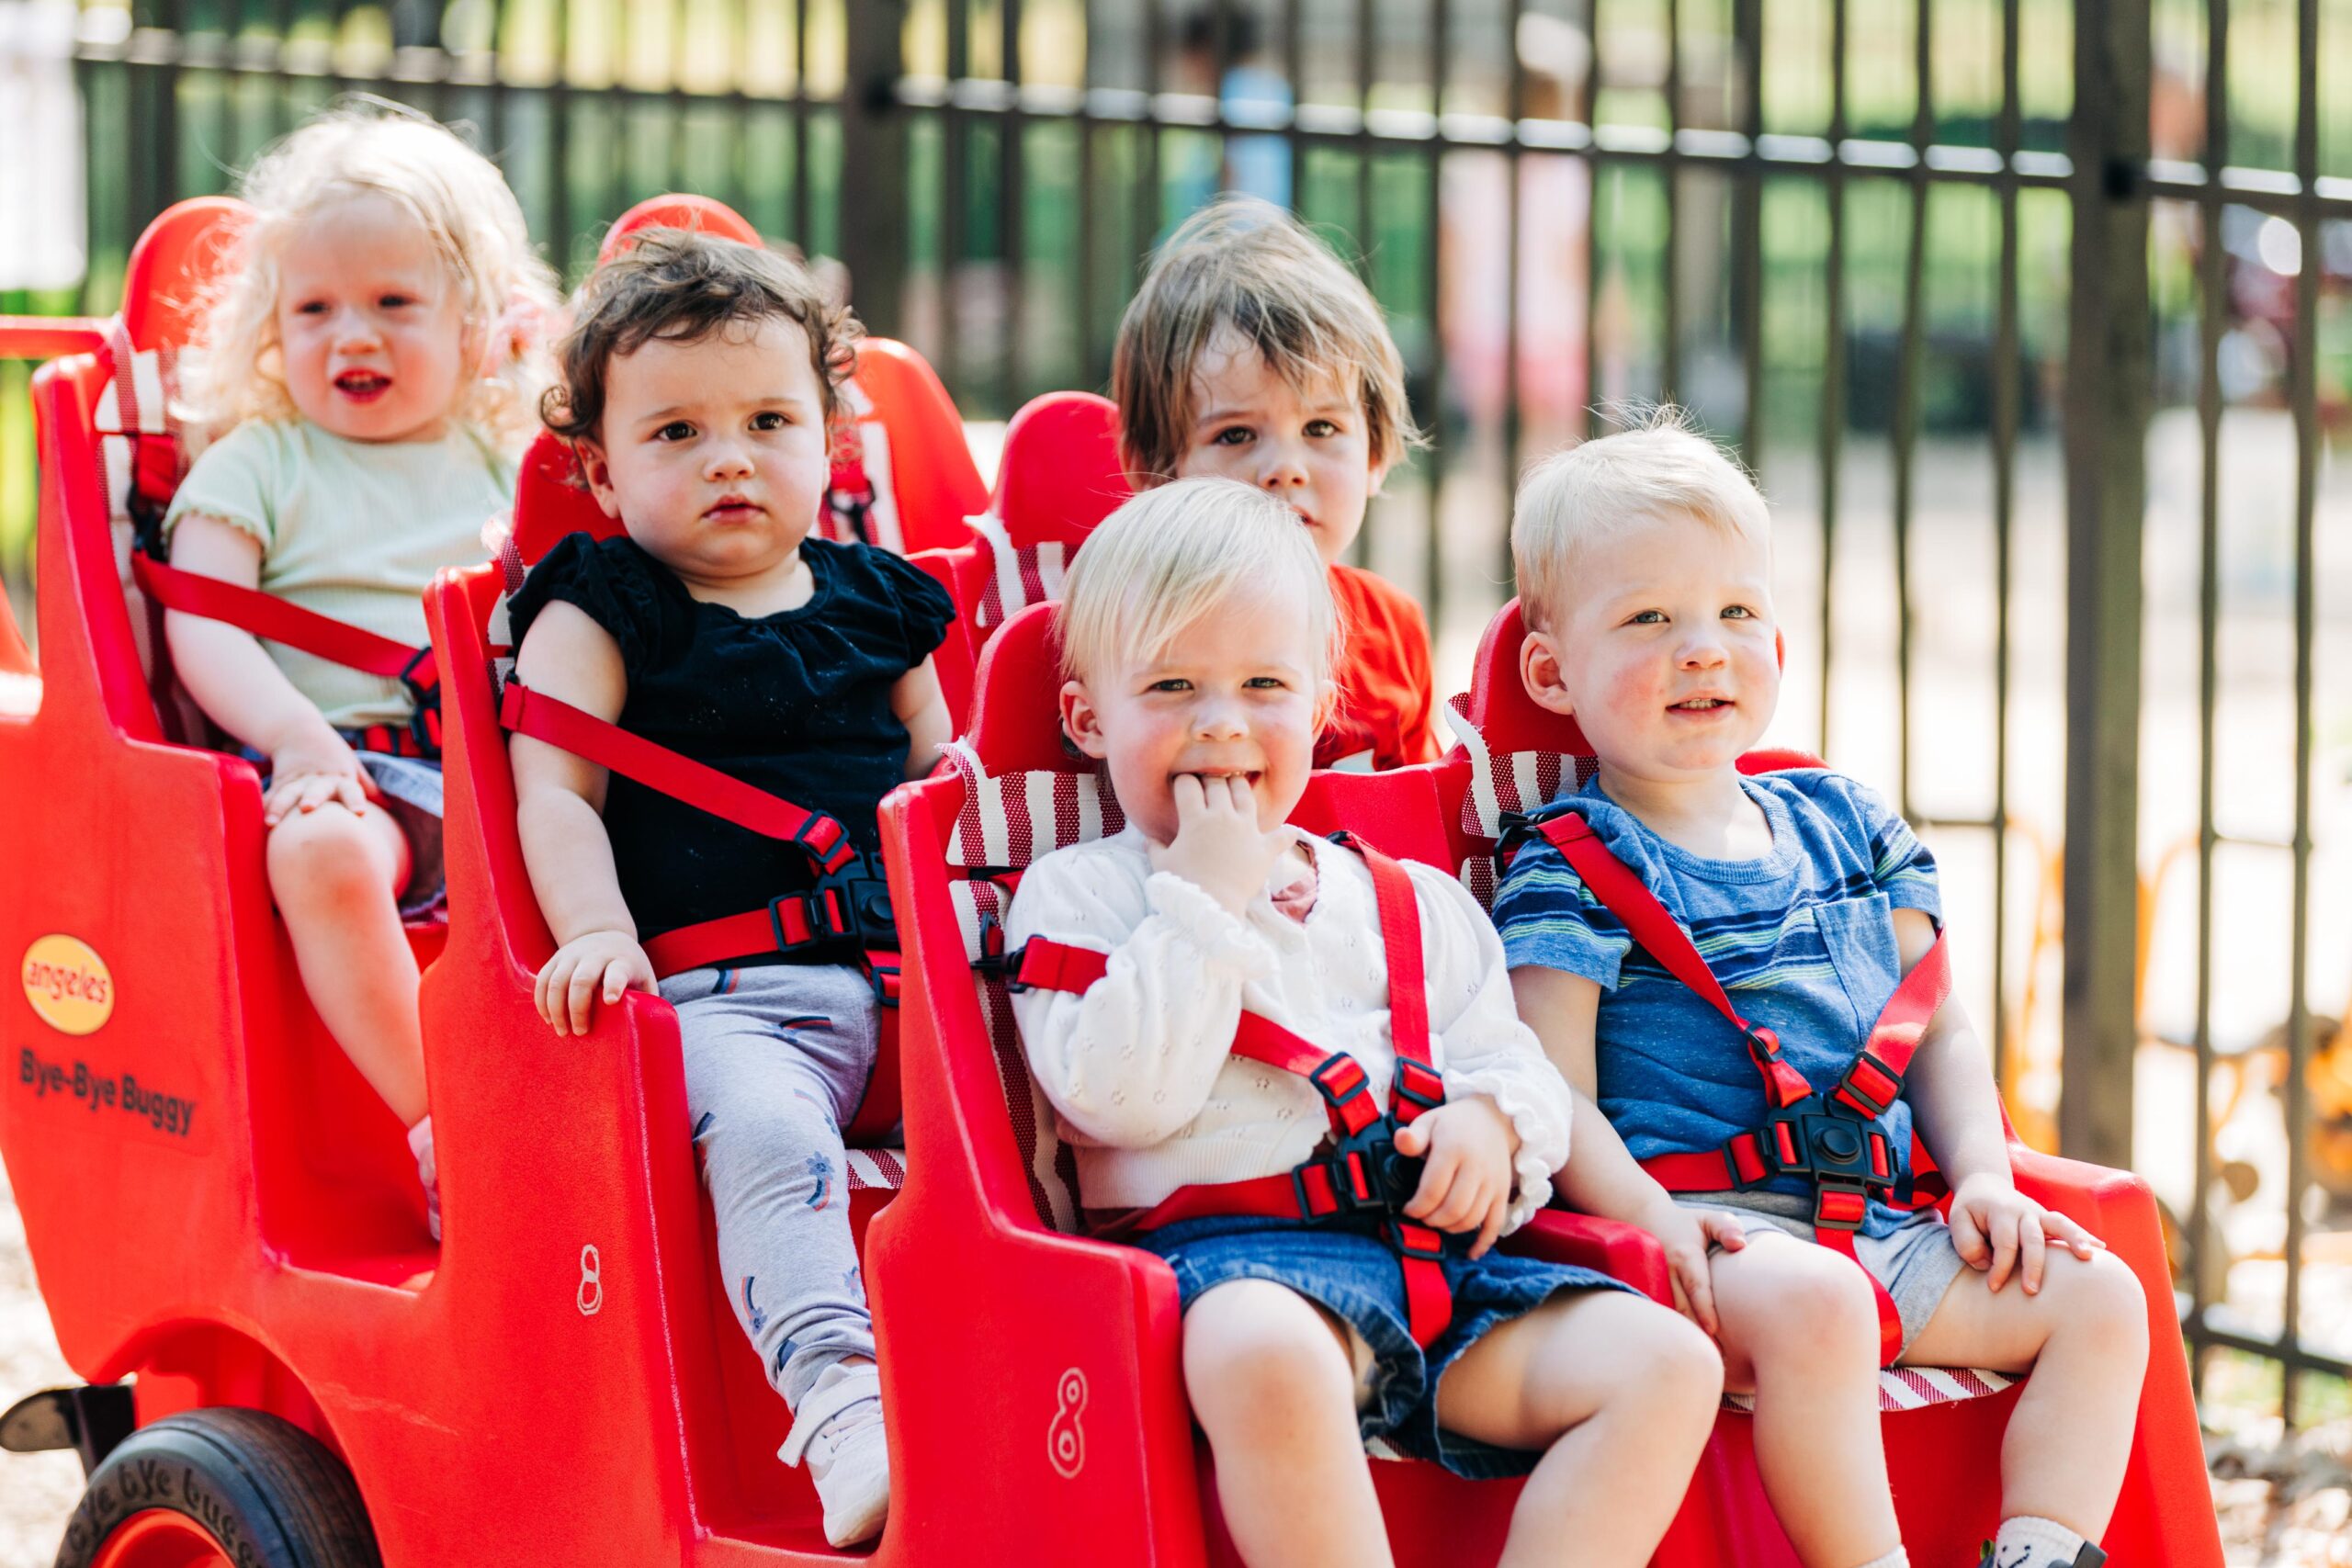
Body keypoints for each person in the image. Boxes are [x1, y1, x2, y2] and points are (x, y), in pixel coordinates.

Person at [1005, 477, 1724, 1568]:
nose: (1221, 722)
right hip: (1236, 1275)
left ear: (1317, 703)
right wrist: (1199, 900)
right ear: (1086, 718)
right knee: (1261, 1351)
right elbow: (1119, 1097)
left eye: (1262, 684)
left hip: (1441, 1272)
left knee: (1666, 1365)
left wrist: (1493, 1128)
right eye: (1171, 685)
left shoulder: (1406, 899)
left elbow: (1514, 1063)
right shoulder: (1080, 897)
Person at [1495, 413, 2151, 1568]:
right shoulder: (1568, 862)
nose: (1703, 648)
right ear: (1551, 671)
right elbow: (1551, 1090)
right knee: (1822, 1307)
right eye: (1648, 618)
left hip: (1887, 1229)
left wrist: (1983, 1176)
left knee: (2102, 1295)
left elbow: (1929, 1020)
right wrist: (1650, 1222)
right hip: (1709, 1243)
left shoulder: (1844, 821)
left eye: (1734, 613)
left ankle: (2039, 1551)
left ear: (1779, 646)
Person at [504, 231, 953, 1548]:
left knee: (1075, 1079)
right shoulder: (600, 609)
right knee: (772, 1137)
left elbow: (943, 781)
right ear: (601, 468)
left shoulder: (884, 603)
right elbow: (555, 793)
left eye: (769, 420)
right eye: (678, 431)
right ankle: (839, 1405)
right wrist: (596, 929)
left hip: (907, 982)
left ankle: (1078, 1343)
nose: (730, 457)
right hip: (725, 1000)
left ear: (833, 439)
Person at [162, 97, 558, 1235]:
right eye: (317, 308)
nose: (354, 336)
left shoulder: (500, 462)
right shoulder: (263, 459)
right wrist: (296, 738)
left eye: (395, 303)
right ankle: (446, 1130)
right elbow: (204, 618)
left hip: (517, 775)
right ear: (271, 330)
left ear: (476, 323)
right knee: (325, 854)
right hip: (359, 769)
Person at [1112, 195, 1440, 773]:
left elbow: (1425, 819)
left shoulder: (1393, 629)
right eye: (1236, 435)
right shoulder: (1132, 635)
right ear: (1153, 471)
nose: (1285, 468)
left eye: (1321, 427)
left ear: (1376, 452)